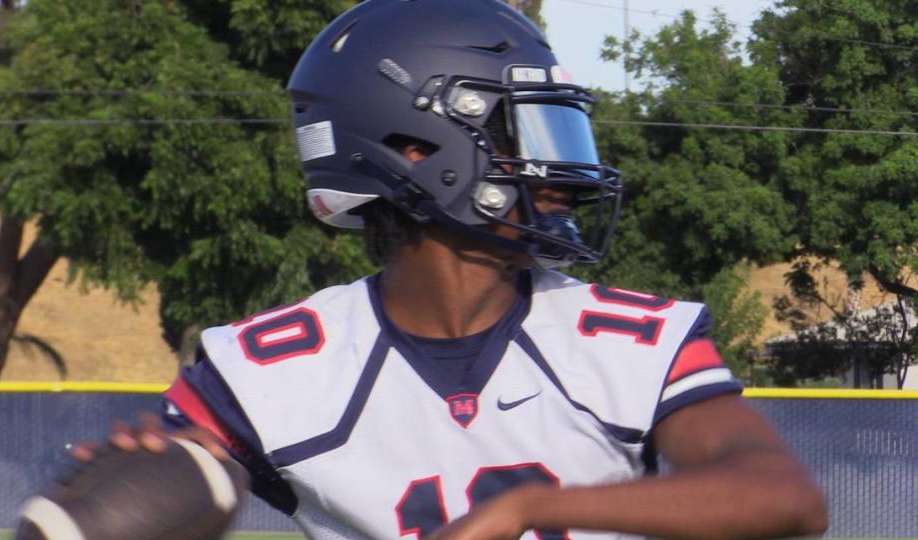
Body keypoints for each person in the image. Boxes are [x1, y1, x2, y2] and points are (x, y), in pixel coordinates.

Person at [86, 0, 828, 538]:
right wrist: (137, 484)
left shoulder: (627, 337)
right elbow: (179, 475)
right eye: (527, 131)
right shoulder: (267, 366)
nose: (561, 174)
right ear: (415, 147)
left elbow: (784, 497)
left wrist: (529, 508)